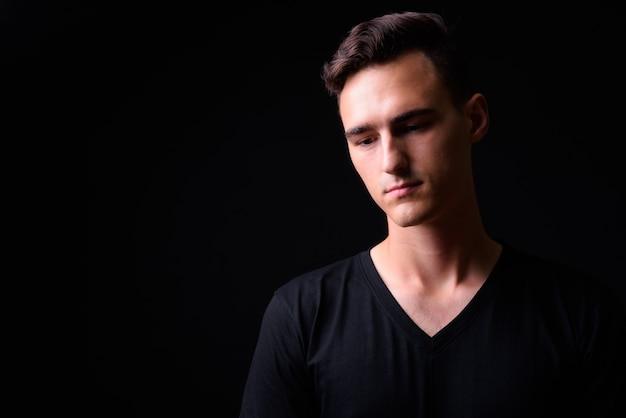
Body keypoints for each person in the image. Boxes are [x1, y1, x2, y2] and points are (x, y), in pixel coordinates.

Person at [238, 11, 626, 417]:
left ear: (474, 119)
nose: (391, 161)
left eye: (413, 126)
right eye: (366, 139)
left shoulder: (580, 315)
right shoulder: (301, 315)